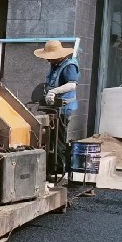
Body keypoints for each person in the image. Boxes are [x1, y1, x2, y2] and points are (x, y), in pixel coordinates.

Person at [34, 39, 79, 176]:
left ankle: (58, 168)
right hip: (53, 106)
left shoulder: (69, 66)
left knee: (58, 138)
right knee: (50, 138)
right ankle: (50, 166)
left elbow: (72, 85)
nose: (48, 60)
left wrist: (54, 92)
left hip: (63, 108)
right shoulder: (54, 65)